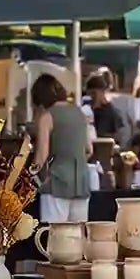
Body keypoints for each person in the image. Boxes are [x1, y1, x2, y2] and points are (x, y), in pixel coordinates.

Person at [33, 73, 91, 222]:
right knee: (77, 237)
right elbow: (89, 149)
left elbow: (41, 157)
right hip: (82, 182)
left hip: (57, 183)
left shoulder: (47, 116)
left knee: (55, 237)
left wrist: (30, 176)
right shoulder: (80, 113)